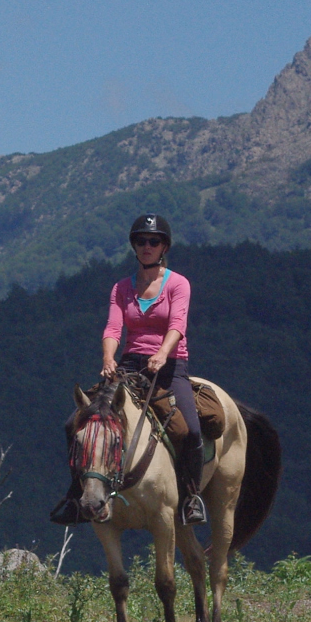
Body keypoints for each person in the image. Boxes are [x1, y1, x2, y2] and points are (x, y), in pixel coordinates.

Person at [102, 213, 206, 526]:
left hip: (170, 364)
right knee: (85, 421)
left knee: (190, 429)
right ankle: (80, 491)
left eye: (154, 241)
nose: (147, 246)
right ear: (134, 245)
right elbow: (112, 327)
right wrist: (108, 358)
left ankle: (190, 497)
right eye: (141, 241)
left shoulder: (178, 284)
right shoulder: (121, 288)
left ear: (164, 247)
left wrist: (162, 353)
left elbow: (178, 324)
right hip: (131, 364)